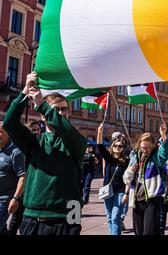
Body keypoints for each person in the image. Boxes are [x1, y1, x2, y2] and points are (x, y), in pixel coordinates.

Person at [3, 72, 85, 235]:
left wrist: (42, 103)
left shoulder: (75, 141)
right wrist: (25, 91)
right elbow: (9, 123)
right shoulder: (34, 141)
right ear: (42, 115)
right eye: (57, 109)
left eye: (64, 109)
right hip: (33, 216)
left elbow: (66, 130)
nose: (62, 113)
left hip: (69, 213)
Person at [123, 124, 168, 235]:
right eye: (143, 147)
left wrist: (163, 135)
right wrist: (130, 171)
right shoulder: (134, 156)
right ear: (139, 145)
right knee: (138, 231)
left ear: (153, 145)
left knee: (149, 231)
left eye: (148, 148)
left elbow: (165, 154)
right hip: (137, 199)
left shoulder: (155, 157)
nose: (146, 150)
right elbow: (126, 179)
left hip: (152, 198)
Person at [96, 123, 129, 235]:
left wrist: (127, 193)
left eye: (120, 146)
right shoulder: (109, 158)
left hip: (120, 191)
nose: (117, 148)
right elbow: (100, 146)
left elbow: (129, 178)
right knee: (110, 217)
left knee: (115, 217)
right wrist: (99, 132)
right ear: (112, 147)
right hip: (108, 190)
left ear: (123, 148)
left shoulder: (126, 161)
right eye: (115, 146)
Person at [0, 122, 26, 235]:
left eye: (0, 131)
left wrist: (15, 198)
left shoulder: (16, 152)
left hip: (4, 200)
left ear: (8, 133)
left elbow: (22, 177)